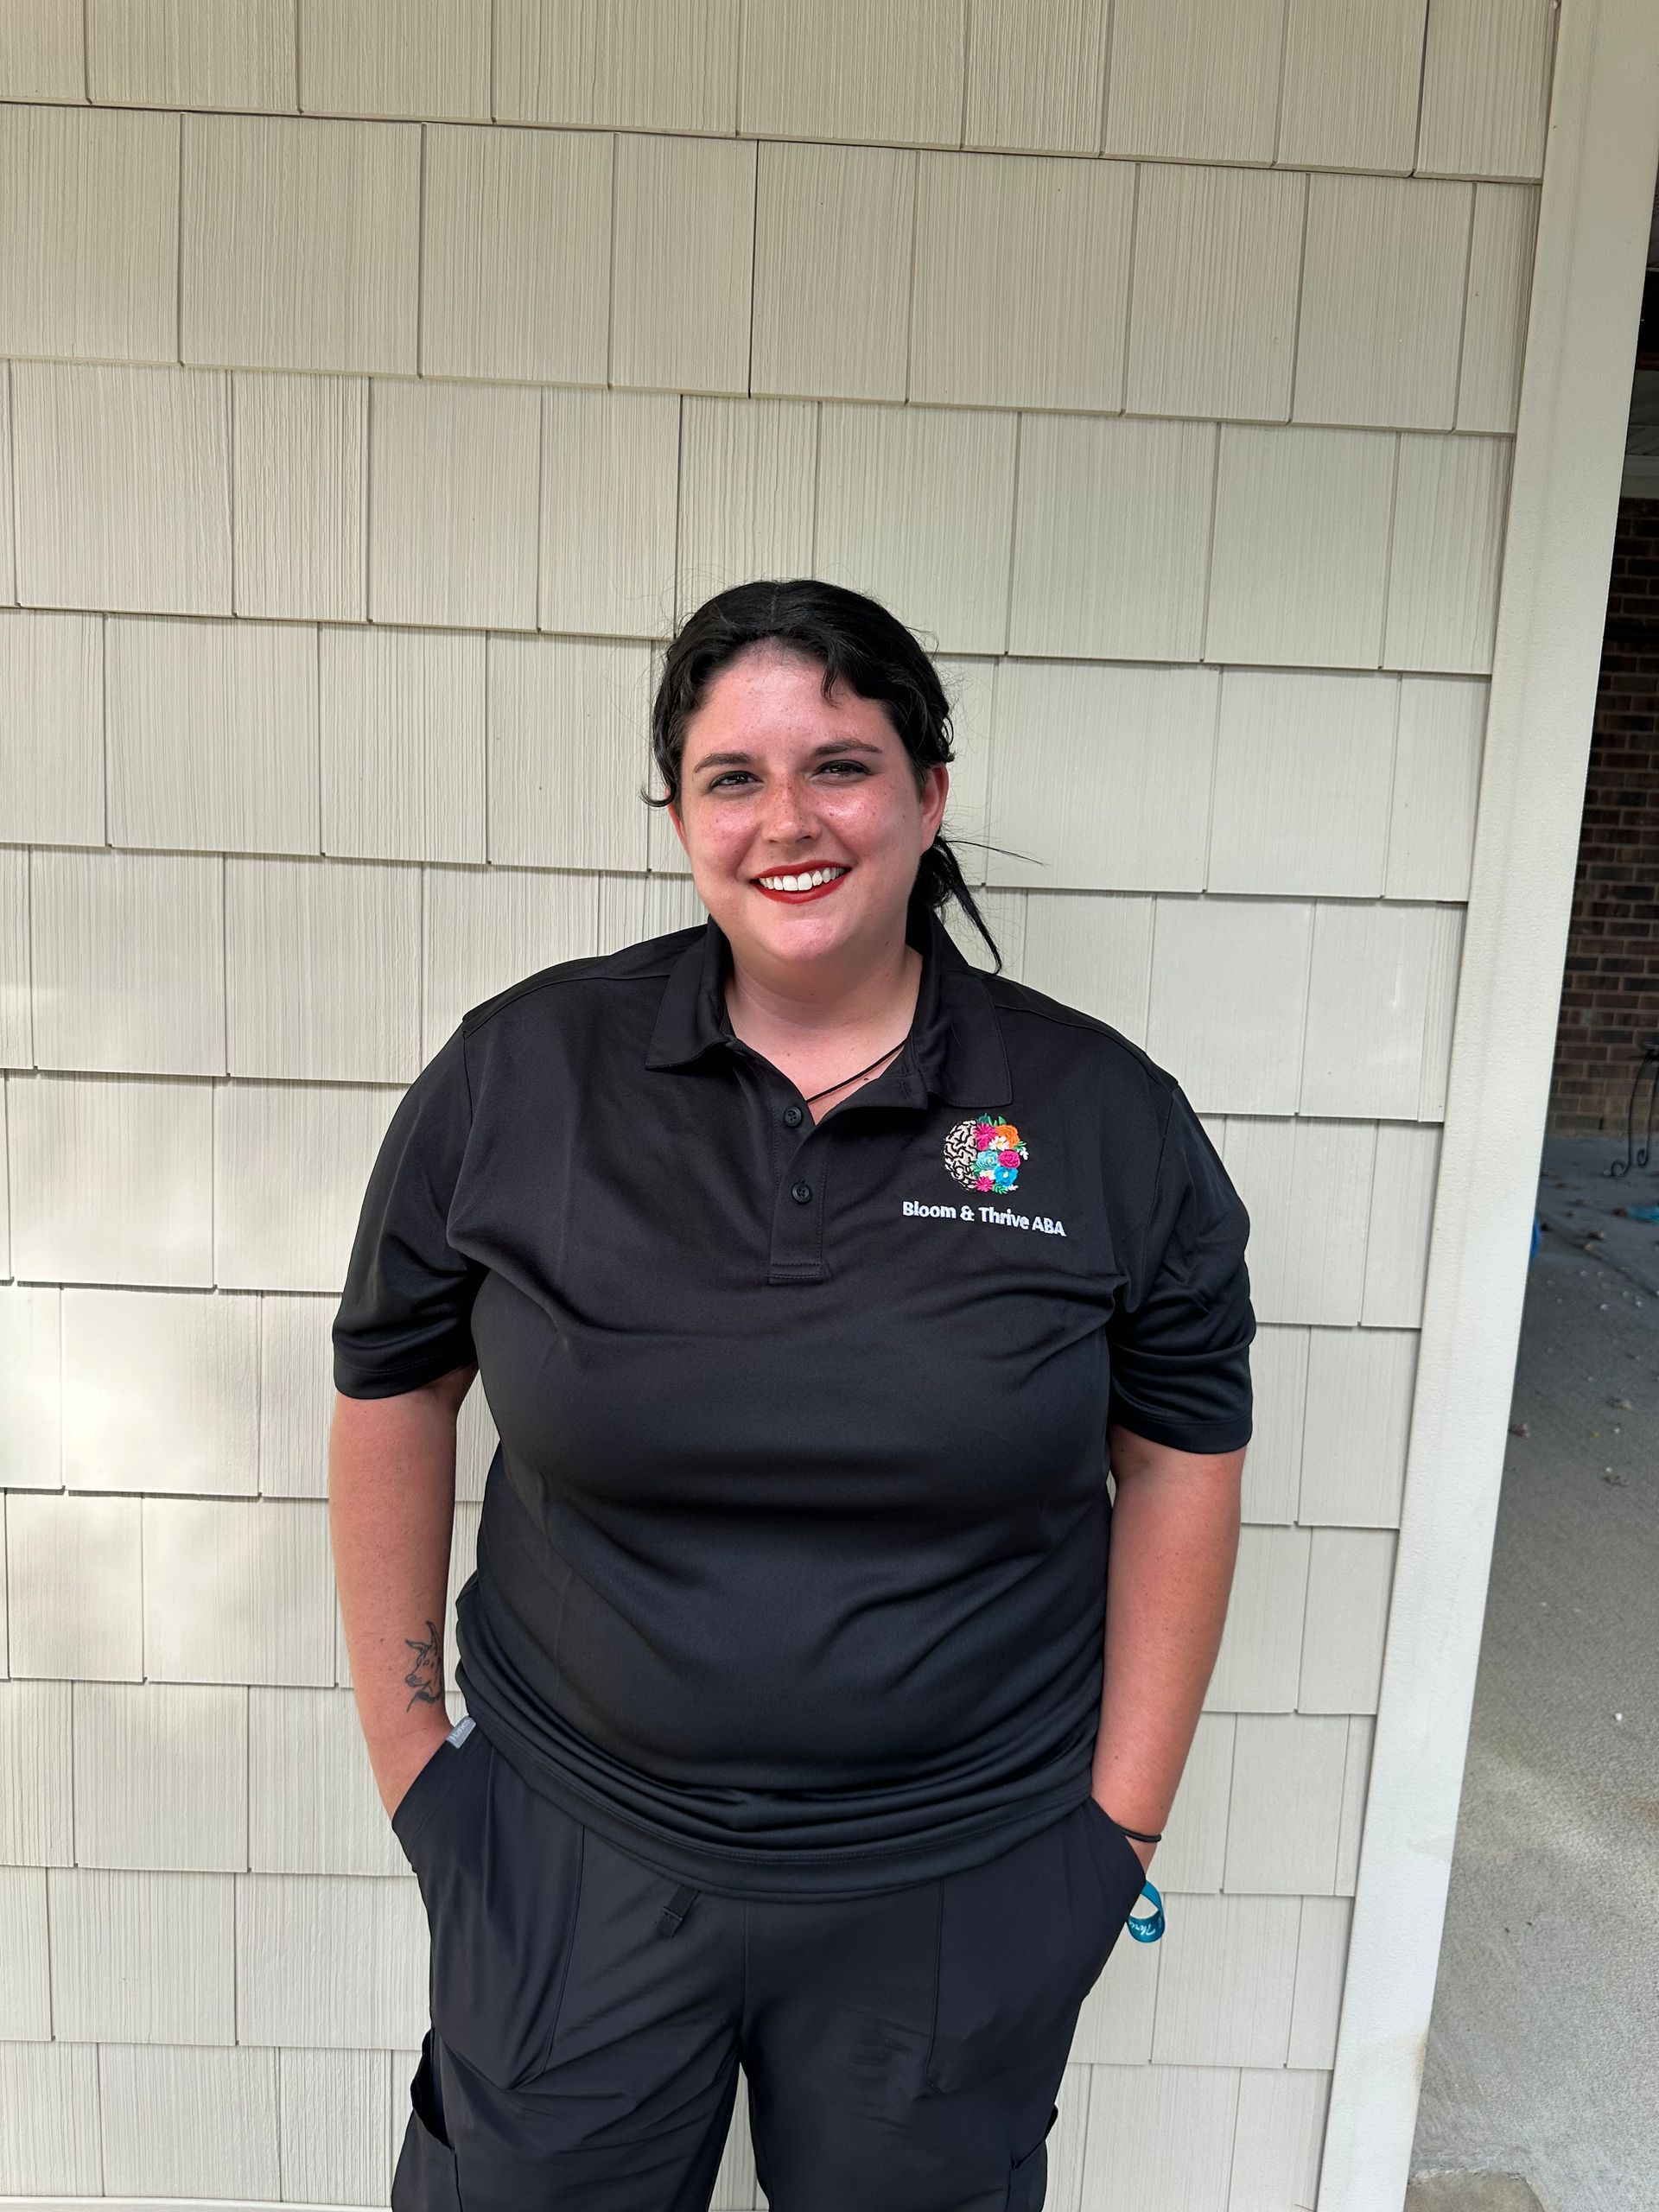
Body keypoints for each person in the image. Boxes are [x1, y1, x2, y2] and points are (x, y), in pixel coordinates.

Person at [329, 577, 1255, 2212]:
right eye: (732, 778)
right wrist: (426, 1772)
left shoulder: (1102, 1116)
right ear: (681, 815)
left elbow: (1184, 1452)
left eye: (840, 764)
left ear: (928, 793)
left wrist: (1112, 1842)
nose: (788, 822)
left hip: (957, 1883)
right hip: (569, 1861)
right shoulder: (523, 1075)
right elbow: (393, 1386)